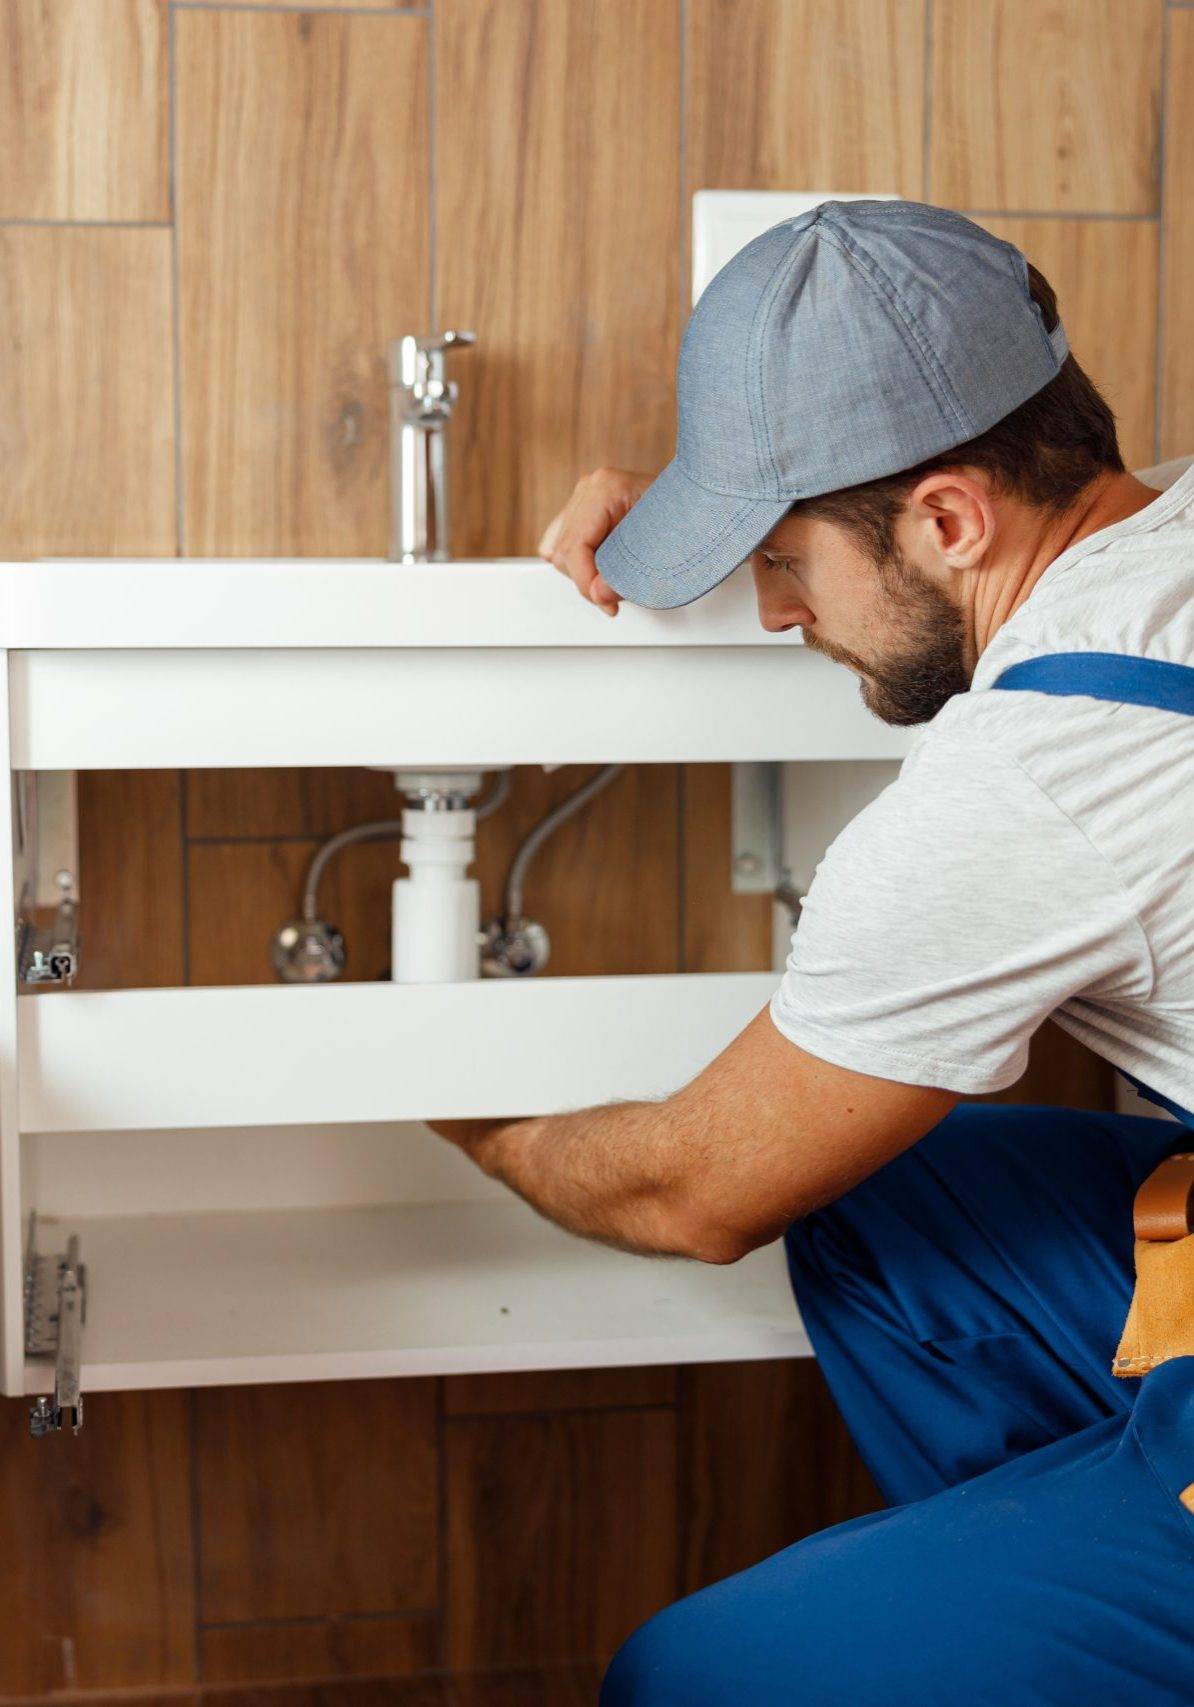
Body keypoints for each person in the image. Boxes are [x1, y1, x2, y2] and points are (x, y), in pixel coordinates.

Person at [431, 199, 1194, 1703]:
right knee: (881, 1207)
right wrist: (720, 508)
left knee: (697, 1677)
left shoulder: (1033, 780)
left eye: (781, 559)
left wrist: (476, 1118)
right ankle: (1064, 1578)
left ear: (950, 518)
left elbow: (691, 1189)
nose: (774, 611)